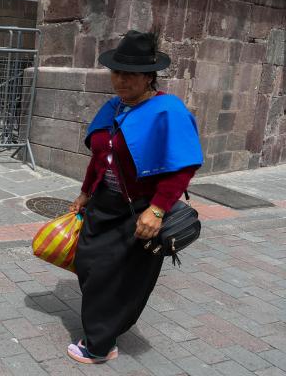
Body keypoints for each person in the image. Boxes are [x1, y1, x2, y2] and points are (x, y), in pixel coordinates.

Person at [65, 30, 203, 364]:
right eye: (116, 72)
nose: (120, 80)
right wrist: (85, 193)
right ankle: (106, 325)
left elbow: (181, 167)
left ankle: (98, 344)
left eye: (130, 74)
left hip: (140, 211)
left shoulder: (167, 111)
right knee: (89, 265)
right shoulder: (113, 107)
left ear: (148, 77)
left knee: (120, 278)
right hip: (104, 204)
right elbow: (99, 157)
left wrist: (157, 210)